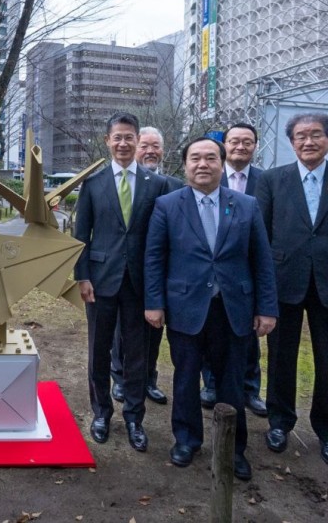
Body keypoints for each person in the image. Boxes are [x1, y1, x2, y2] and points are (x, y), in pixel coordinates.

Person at [144, 137, 277, 481]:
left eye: (210, 158)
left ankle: (233, 449)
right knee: (186, 378)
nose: (202, 164)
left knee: (232, 382)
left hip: (234, 309)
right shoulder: (167, 205)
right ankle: (187, 440)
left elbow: (261, 261)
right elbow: (155, 258)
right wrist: (154, 303)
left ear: (222, 163)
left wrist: (267, 308)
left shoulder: (246, 205)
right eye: (195, 158)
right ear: (185, 165)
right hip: (185, 308)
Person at [74, 112, 171, 452]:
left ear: (136, 139)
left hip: (140, 283)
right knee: (98, 351)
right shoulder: (93, 183)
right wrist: (82, 276)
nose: (124, 143)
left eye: (130, 137)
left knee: (137, 355)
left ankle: (134, 417)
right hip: (100, 282)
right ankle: (101, 412)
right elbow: (80, 235)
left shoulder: (155, 184)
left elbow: (160, 240)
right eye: (118, 137)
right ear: (107, 141)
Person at [256, 112, 328, 467]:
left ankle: (325, 429)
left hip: (327, 283)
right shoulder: (272, 180)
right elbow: (261, 235)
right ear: (292, 141)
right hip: (283, 281)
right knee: (281, 357)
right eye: (301, 136)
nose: (308, 142)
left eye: (316, 134)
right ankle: (280, 422)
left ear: (326, 139)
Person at [110, 126, 182, 407]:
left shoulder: (174, 185)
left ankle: (148, 379)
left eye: (156, 146)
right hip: (124, 270)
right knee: (122, 330)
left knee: (155, 328)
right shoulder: (119, 183)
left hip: (162, 272)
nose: (151, 151)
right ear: (136, 147)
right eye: (145, 145)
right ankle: (120, 378)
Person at [200, 122, 267, 417]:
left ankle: (250, 389)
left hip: (246, 271)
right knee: (208, 331)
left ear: (255, 146)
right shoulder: (209, 177)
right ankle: (211, 384)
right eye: (234, 141)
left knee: (247, 336)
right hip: (209, 276)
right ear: (224, 145)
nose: (240, 147)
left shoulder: (266, 181)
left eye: (247, 142)